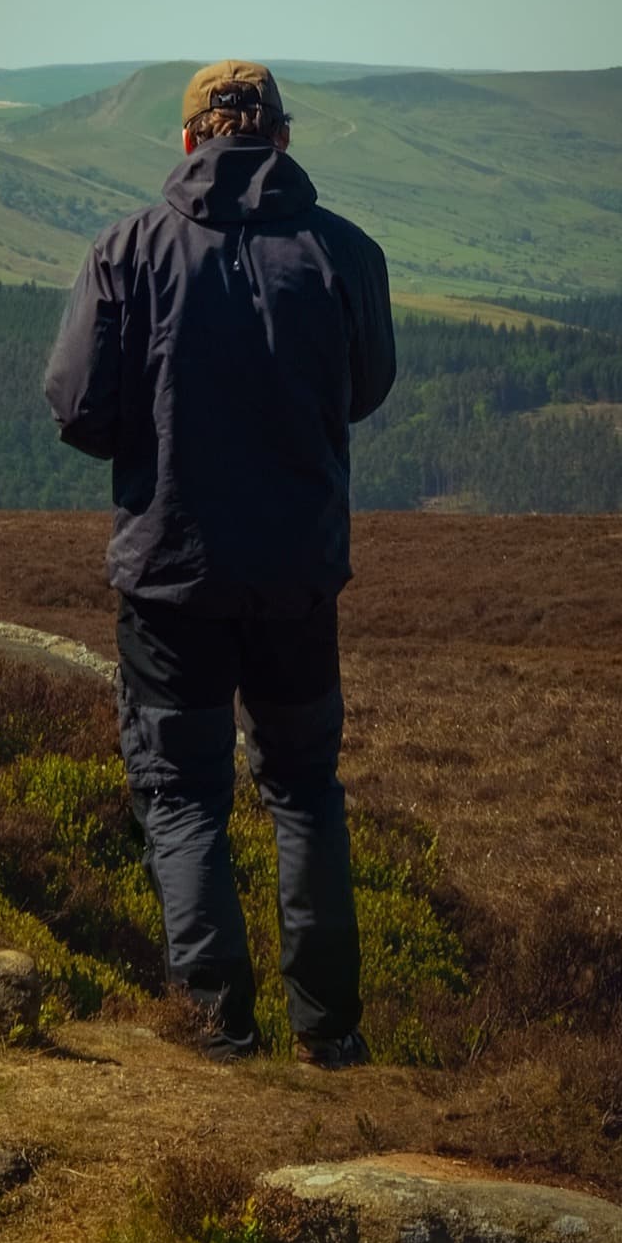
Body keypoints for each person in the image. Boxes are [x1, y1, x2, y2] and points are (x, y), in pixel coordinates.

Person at [43, 59, 395, 1066]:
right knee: (303, 791)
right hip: (298, 575)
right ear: (280, 137)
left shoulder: (128, 252)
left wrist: (158, 433)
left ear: (190, 140)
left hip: (171, 576)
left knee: (184, 796)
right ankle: (329, 1038)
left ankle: (215, 1033)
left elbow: (77, 408)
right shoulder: (345, 253)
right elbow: (364, 387)